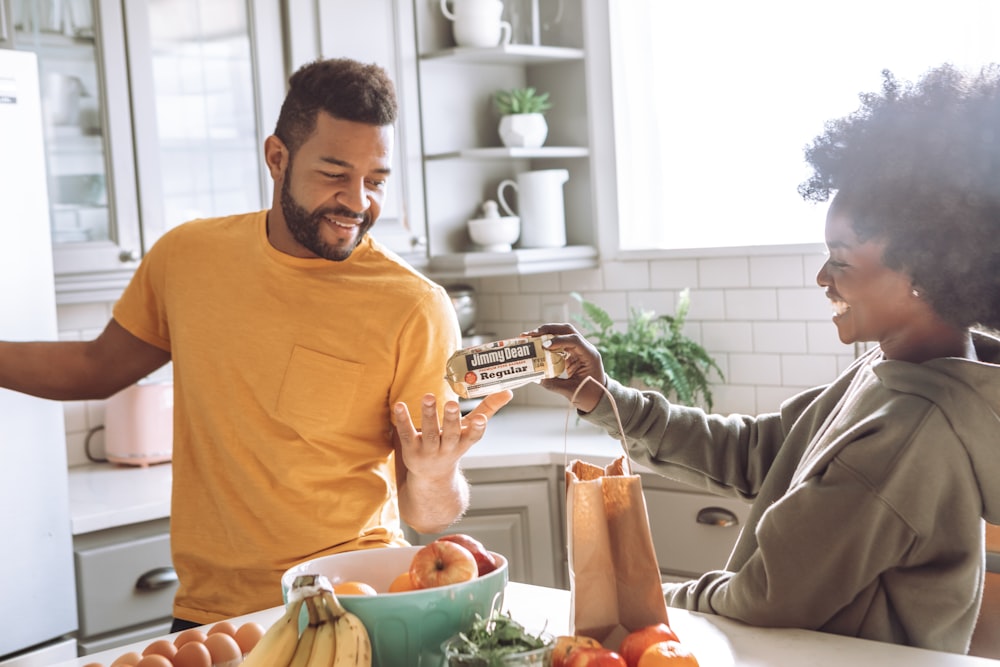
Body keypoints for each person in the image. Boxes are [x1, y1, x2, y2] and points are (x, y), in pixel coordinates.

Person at [0, 57, 511, 626]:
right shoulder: (188, 257)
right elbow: (94, 368)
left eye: (376, 181)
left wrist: (438, 473)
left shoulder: (414, 307)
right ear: (277, 158)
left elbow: (430, 514)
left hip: (347, 607)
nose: (358, 202)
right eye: (335, 174)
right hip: (208, 614)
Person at [527, 63, 1000, 654]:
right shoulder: (895, 367)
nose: (822, 277)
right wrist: (604, 397)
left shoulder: (909, 432)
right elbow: (759, 452)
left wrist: (649, 605)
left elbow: (765, 595)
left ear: (926, 278)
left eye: (842, 261)